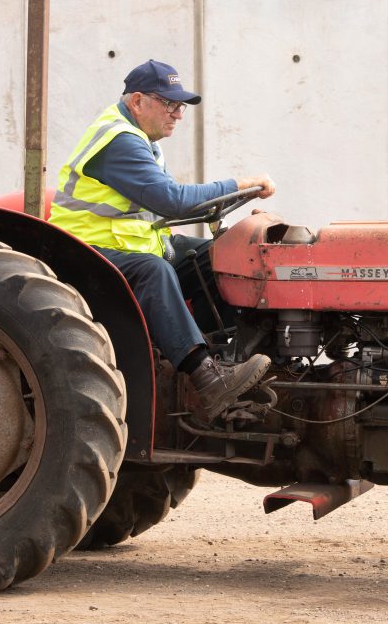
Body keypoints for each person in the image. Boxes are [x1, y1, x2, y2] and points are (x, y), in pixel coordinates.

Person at [49, 59, 275, 424]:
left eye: (180, 106)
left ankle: (225, 354)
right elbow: (172, 200)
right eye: (169, 104)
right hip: (83, 254)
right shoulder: (118, 141)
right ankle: (206, 377)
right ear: (138, 101)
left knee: (219, 257)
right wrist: (240, 184)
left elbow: (161, 212)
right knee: (154, 271)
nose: (178, 114)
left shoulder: (142, 139)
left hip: (124, 246)